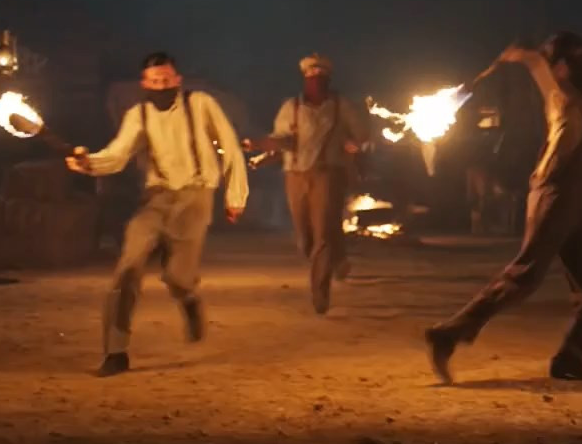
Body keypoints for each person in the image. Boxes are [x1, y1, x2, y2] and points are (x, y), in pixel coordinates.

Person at [424, 32, 582, 383]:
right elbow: (557, 136)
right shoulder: (565, 101)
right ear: (562, 67)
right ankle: (448, 334)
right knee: (524, 277)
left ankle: (574, 359)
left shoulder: (575, 100)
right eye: (577, 59)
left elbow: (546, 76)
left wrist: (528, 58)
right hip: (558, 198)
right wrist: (531, 60)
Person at [66, 52, 249, 377]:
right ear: (145, 84)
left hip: (195, 197)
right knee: (127, 269)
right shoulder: (138, 115)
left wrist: (236, 196)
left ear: (177, 80)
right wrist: (88, 163)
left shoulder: (201, 104)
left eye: (166, 80)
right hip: (156, 198)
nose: (161, 86)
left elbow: (231, 147)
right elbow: (118, 155)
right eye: (154, 81)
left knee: (179, 276)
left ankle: (188, 298)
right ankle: (116, 352)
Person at [248, 53, 367, 314]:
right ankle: (337, 258)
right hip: (295, 175)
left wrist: (354, 145)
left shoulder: (341, 106)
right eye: (311, 75)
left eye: (320, 75)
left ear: (328, 77)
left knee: (323, 232)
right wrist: (261, 145)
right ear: (304, 77)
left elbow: (361, 134)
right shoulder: (290, 107)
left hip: (328, 174)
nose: (316, 79)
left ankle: (320, 293)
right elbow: (281, 138)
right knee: (305, 238)